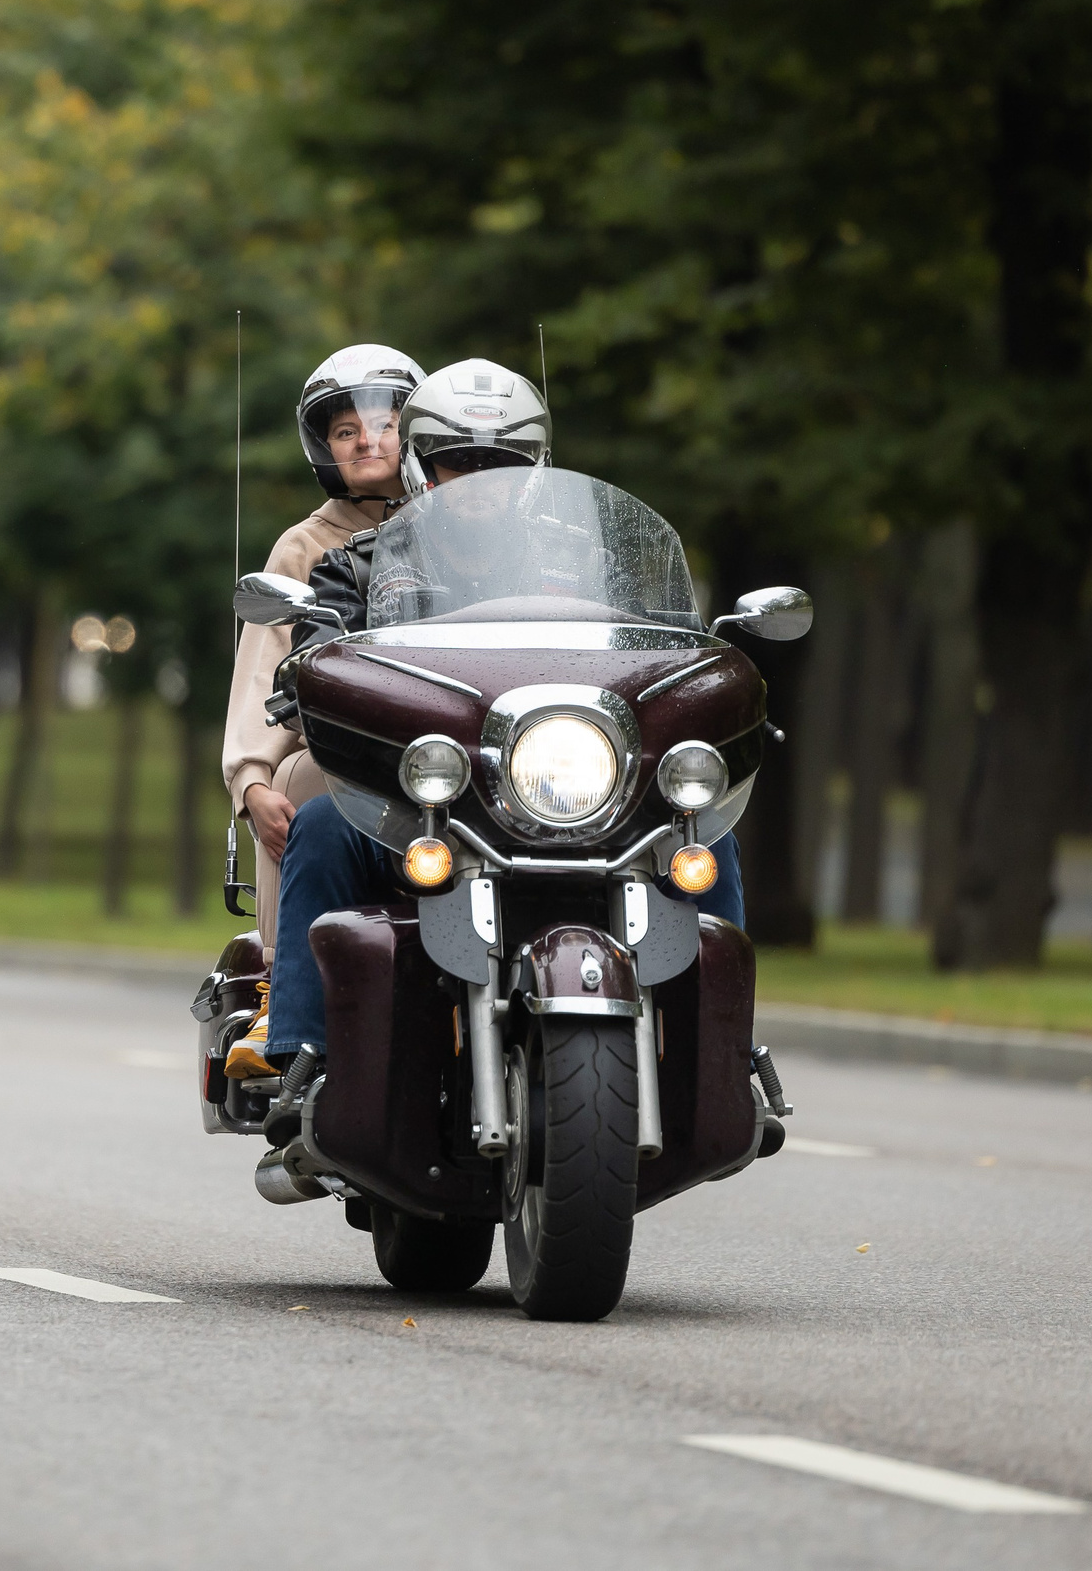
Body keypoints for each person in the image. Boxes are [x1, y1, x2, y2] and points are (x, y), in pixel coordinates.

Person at [242, 358, 748, 1093]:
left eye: (502, 464)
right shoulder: (356, 566)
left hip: (571, 788)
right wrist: (311, 678)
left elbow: (661, 643)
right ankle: (303, 1055)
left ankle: (725, 1060)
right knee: (321, 825)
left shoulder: (584, 555)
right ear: (421, 466)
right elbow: (318, 657)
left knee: (708, 835)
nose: (480, 482)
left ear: (535, 468)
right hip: (428, 803)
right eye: (458, 462)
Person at [218, 344, 425, 1073]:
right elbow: (262, 672)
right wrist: (250, 780)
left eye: (386, 422)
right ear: (323, 447)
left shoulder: (468, 529)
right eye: (345, 430)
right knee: (298, 783)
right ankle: (283, 990)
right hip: (346, 752)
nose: (368, 440)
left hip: (457, 748)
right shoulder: (304, 547)